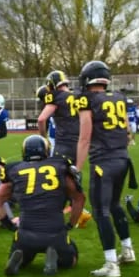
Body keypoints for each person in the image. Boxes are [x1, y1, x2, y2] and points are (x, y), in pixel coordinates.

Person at [75, 60, 138, 277]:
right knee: (114, 205)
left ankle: (111, 264)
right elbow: (128, 131)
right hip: (122, 159)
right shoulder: (119, 98)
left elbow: (84, 138)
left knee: (100, 210)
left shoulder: (87, 99)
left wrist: (77, 168)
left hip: (104, 161)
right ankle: (127, 249)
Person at [0, 135, 84, 276]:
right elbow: (79, 199)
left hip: (26, 233)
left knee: (24, 258)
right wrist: (70, 224)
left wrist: (9, 225)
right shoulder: (59, 166)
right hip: (55, 231)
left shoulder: (15, 169)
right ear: (46, 151)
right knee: (72, 259)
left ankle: (21, 256)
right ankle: (54, 255)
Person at [35, 70, 92, 228]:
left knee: (55, 181)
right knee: (72, 180)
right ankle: (77, 213)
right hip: (80, 145)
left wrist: (43, 139)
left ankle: (64, 214)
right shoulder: (79, 95)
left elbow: (41, 119)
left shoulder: (56, 97)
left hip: (63, 144)